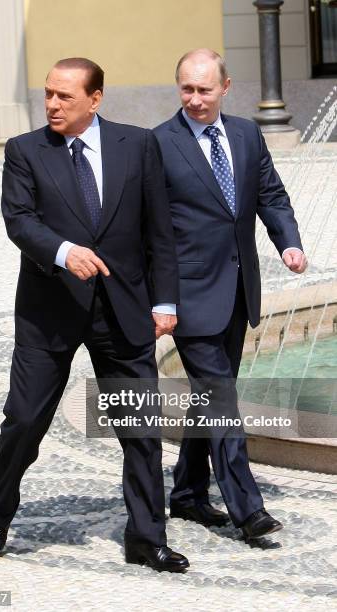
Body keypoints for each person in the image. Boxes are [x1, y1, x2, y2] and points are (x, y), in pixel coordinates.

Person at [0, 57, 189, 573]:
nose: (52, 104)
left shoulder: (137, 144)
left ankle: (145, 536)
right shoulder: (25, 150)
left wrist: (165, 301)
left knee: (139, 428)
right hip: (49, 310)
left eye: (65, 96)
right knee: (24, 421)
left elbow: (158, 229)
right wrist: (61, 250)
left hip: (122, 310)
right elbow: (19, 221)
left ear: (96, 99)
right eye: (49, 94)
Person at [153, 49, 307, 540]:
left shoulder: (244, 134)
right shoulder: (157, 144)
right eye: (186, 89)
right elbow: (149, 230)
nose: (194, 99)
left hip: (239, 291)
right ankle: (247, 509)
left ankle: (187, 493)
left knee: (209, 398)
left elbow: (270, 196)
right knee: (221, 399)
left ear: (225, 86)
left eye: (204, 89)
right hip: (189, 296)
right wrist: (160, 300)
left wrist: (289, 243)